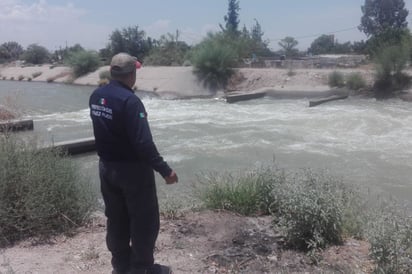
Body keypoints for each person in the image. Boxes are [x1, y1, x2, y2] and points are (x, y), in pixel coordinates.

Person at [89, 52, 178, 274]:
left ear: (111, 72)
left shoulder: (96, 96)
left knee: (116, 218)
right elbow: (143, 143)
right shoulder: (130, 101)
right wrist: (165, 170)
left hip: (107, 169)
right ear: (133, 74)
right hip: (133, 172)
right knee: (144, 222)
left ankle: (120, 266)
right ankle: (142, 269)